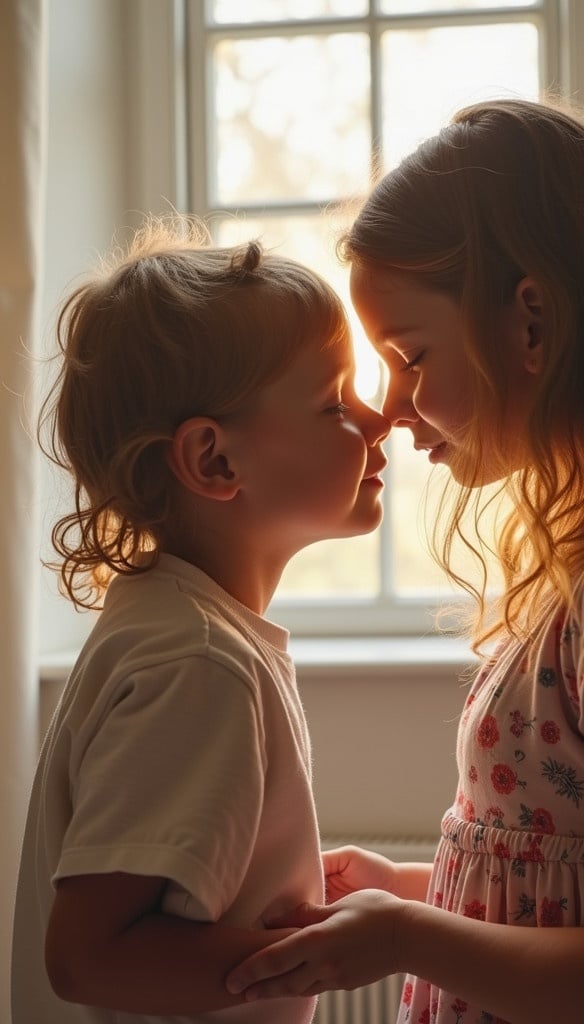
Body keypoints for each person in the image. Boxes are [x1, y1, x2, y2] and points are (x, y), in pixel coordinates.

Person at [222, 99, 584, 1024]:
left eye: (409, 355)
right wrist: (407, 887)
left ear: (532, 322)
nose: (391, 408)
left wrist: (402, 938)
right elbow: (564, 879)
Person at [11, 216, 390, 1023]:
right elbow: (89, 957)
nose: (380, 418)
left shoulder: (181, 629)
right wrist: (340, 950)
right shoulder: (199, 663)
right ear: (215, 461)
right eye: (334, 401)